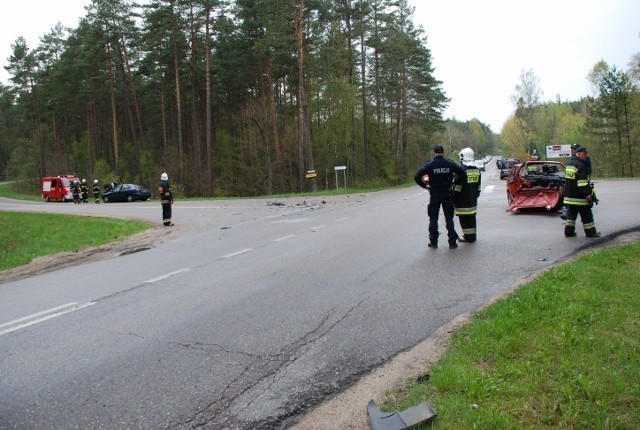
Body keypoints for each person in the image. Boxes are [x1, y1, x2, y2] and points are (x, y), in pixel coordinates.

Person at [414, 145, 466, 249]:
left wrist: (425, 186)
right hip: (447, 193)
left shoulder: (430, 165)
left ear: (434, 153)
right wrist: (454, 184)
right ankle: (452, 242)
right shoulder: (450, 163)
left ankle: (433, 242)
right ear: (443, 152)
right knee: (449, 219)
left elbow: (417, 176)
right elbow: (463, 174)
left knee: (433, 218)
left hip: (435, 194)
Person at [563, 146, 600, 238]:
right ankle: (591, 232)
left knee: (571, 217)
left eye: (586, 154)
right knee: (587, 215)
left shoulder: (570, 164)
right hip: (580, 198)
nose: (586, 156)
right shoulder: (581, 166)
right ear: (578, 154)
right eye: (584, 154)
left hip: (570, 197)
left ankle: (569, 232)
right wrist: (587, 194)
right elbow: (582, 183)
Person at [453, 147, 481, 243]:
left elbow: (457, 187)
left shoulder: (461, 170)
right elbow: (478, 188)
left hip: (462, 202)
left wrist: (453, 198)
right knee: (472, 219)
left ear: (462, 157)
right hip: (472, 201)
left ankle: (468, 237)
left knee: (464, 220)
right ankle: (472, 236)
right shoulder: (477, 170)